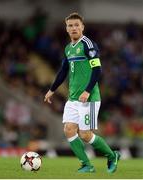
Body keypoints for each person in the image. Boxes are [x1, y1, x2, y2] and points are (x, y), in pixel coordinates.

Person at [44, 12, 120, 173]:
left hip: (89, 98)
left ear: (82, 27)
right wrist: (51, 90)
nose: (73, 28)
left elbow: (97, 69)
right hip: (73, 98)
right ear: (66, 28)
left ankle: (112, 156)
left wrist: (87, 91)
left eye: (76, 25)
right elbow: (63, 71)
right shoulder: (68, 48)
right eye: (70, 25)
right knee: (69, 130)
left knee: (85, 134)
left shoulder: (88, 44)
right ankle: (87, 164)